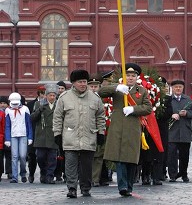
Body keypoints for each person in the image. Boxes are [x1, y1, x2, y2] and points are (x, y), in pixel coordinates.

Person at [98, 63, 152, 197]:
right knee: (119, 158)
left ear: (137, 77)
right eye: (128, 75)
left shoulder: (142, 90)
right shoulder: (118, 88)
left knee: (131, 159)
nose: (130, 78)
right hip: (118, 127)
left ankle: (129, 186)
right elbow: (101, 92)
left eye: (133, 75)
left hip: (133, 127)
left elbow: (148, 108)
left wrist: (134, 109)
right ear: (124, 76)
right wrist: (116, 87)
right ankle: (122, 186)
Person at [53, 69, 106, 199]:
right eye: (80, 82)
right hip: (70, 137)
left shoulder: (95, 98)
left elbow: (100, 116)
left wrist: (101, 133)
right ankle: (71, 188)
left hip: (89, 137)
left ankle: (86, 188)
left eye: (84, 82)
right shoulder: (64, 98)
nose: (83, 84)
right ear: (73, 83)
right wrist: (57, 134)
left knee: (87, 166)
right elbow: (58, 117)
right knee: (70, 165)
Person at [168, 79, 192, 183]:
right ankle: (172, 174)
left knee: (184, 155)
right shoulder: (168, 100)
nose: (178, 89)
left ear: (183, 88)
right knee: (171, 155)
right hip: (172, 132)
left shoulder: (188, 100)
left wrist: (186, 113)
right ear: (172, 88)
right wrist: (171, 115)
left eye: (180, 87)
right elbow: (163, 113)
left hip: (185, 131)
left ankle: (183, 174)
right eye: (176, 87)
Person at [31, 83, 59, 184]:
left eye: (54, 95)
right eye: (50, 95)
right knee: (40, 157)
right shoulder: (39, 104)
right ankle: (43, 172)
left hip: (53, 134)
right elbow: (32, 118)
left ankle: (49, 176)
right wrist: (39, 110)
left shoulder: (58, 105)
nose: (52, 97)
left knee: (52, 158)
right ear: (46, 95)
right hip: (41, 135)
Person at [5, 92, 33, 183]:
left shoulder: (25, 109)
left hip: (23, 135)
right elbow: (7, 125)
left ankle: (23, 173)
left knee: (22, 156)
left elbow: (29, 124)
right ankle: (14, 177)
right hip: (13, 136)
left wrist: (30, 137)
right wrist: (7, 139)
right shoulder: (8, 110)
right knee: (14, 156)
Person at [88, 73, 110, 187]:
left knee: (99, 156)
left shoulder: (105, 99)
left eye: (95, 86)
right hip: (87, 131)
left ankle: (95, 179)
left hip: (101, 131)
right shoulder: (83, 98)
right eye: (91, 86)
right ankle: (86, 178)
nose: (93, 88)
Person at [26, 85, 46, 183]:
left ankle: (43, 173)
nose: (43, 95)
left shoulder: (49, 103)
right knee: (32, 155)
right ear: (38, 93)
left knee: (43, 156)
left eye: (45, 93)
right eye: (42, 93)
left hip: (44, 133)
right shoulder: (30, 104)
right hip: (33, 132)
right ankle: (31, 174)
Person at [0, 96, 11, 179]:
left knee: (9, 155)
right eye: (1, 103)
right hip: (1, 137)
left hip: (8, 136)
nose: (2, 105)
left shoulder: (9, 112)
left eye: (4, 103)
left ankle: (9, 171)